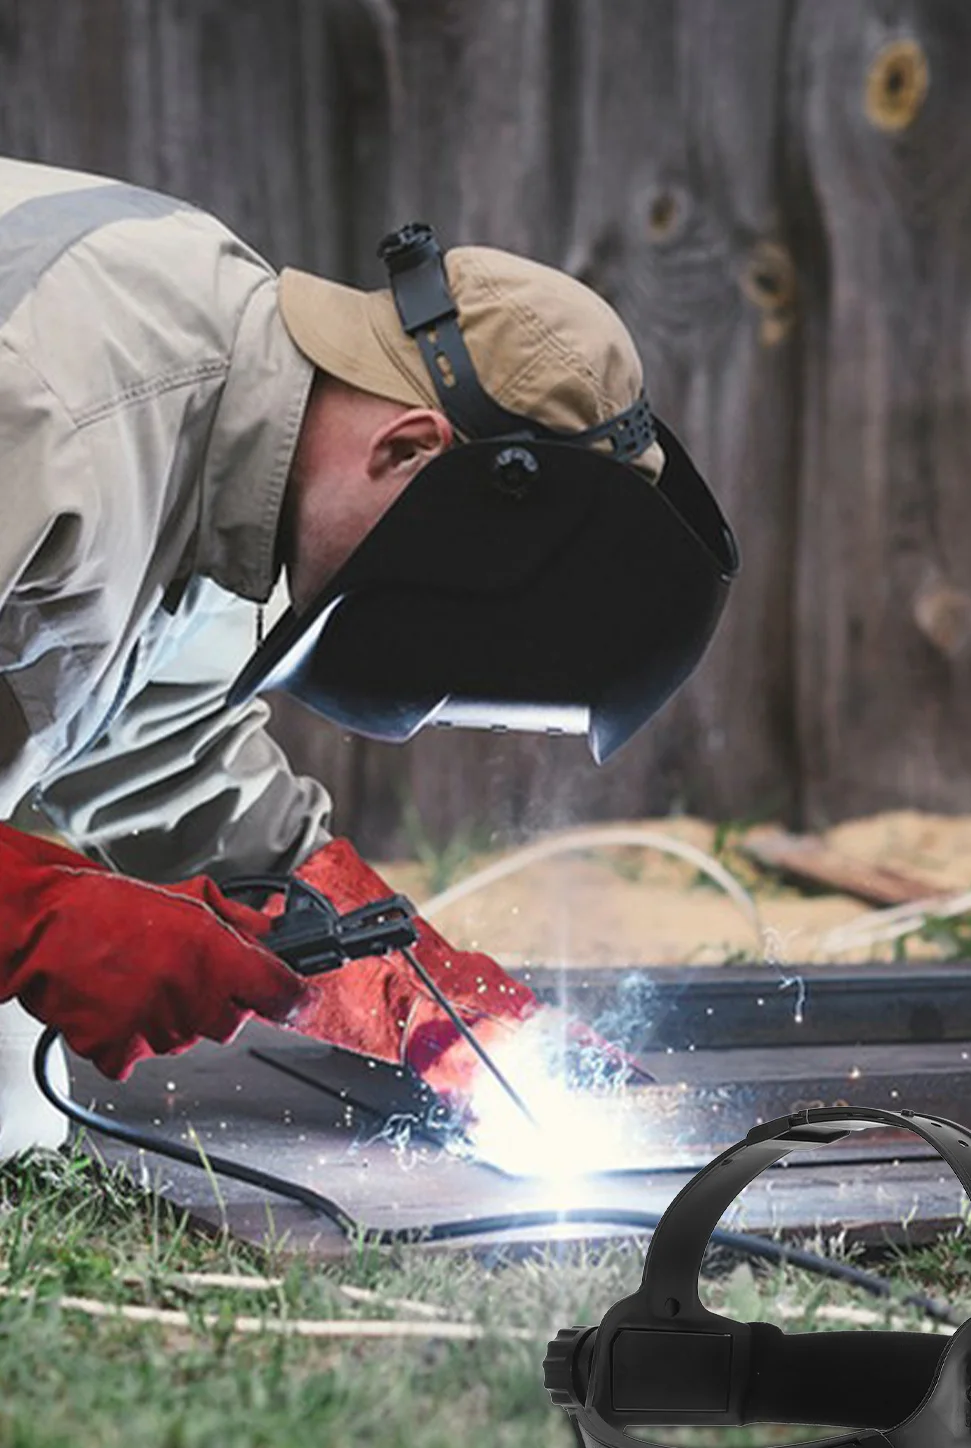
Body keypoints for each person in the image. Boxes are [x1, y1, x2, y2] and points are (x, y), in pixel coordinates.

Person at [0, 156, 737, 1156]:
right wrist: (29, 909)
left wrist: (413, 993)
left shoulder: (220, 427)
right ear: (404, 449)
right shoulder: (49, 412)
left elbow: (159, 749)